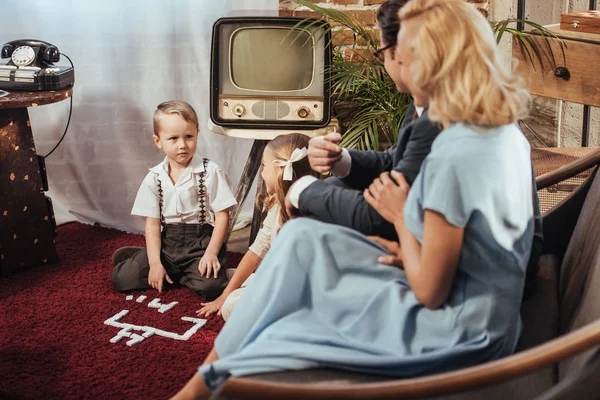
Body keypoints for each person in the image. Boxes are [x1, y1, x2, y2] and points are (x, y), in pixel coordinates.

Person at [172, 0, 539, 397]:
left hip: (459, 330)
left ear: (433, 59)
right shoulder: (499, 133)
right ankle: (207, 377)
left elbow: (431, 291)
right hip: (477, 302)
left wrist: (400, 219)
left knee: (286, 317)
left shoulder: (453, 153)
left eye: (404, 49)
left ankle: (208, 382)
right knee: (298, 240)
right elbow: (478, 245)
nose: (395, 57)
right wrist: (411, 243)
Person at [286, 0, 441, 242]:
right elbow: (395, 160)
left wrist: (301, 189)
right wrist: (340, 159)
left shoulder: (436, 118)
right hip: (419, 241)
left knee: (298, 234)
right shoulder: (421, 102)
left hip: (430, 255)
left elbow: (380, 216)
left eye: (380, 53)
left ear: (398, 52)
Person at [111, 101, 236, 301]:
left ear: (197, 133)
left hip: (200, 244)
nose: (182, 145)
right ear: (158, 141)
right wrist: (154, 264)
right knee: (122, 279)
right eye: (173, 138)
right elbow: (152, 224)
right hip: (167, 245)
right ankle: (143, 260)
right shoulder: (155, 177)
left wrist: (211, 253)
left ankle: (187, 272)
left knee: (213, 288)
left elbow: (222, 215)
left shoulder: (210, 171)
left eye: (189, 137)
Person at [195, 133, 318, 320]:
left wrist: (229, 297)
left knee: (232, 306)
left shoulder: (311, 215)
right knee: (229, 277)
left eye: (263, 166)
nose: (261, 173)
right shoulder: (279, 208)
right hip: (282, 279)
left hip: (303, 291)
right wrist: (226, 293)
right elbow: (257, 250)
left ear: (280, 170)